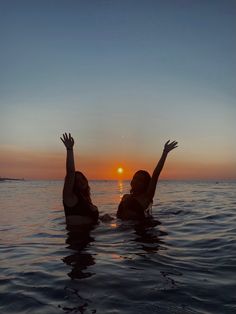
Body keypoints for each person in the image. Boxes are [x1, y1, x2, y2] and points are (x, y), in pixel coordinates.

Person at [117, 140, 178, 220]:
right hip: (122, 230)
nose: (136, 181)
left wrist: (165, 152)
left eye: (140, 180)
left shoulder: (146, 197)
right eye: (135, 178)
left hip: (140, 229)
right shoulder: (125, 197)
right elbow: (119, 217)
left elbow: (156, 174)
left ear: (145, 184)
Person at [60, 133, 99, 226]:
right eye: (77, 180)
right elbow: (70, 173)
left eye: (83, 178)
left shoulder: (85, 198)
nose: (81, 181)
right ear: (72, 183)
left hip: (90, 237)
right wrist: (69, 149)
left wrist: (102, 218)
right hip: (77, 238)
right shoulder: (70, 197)